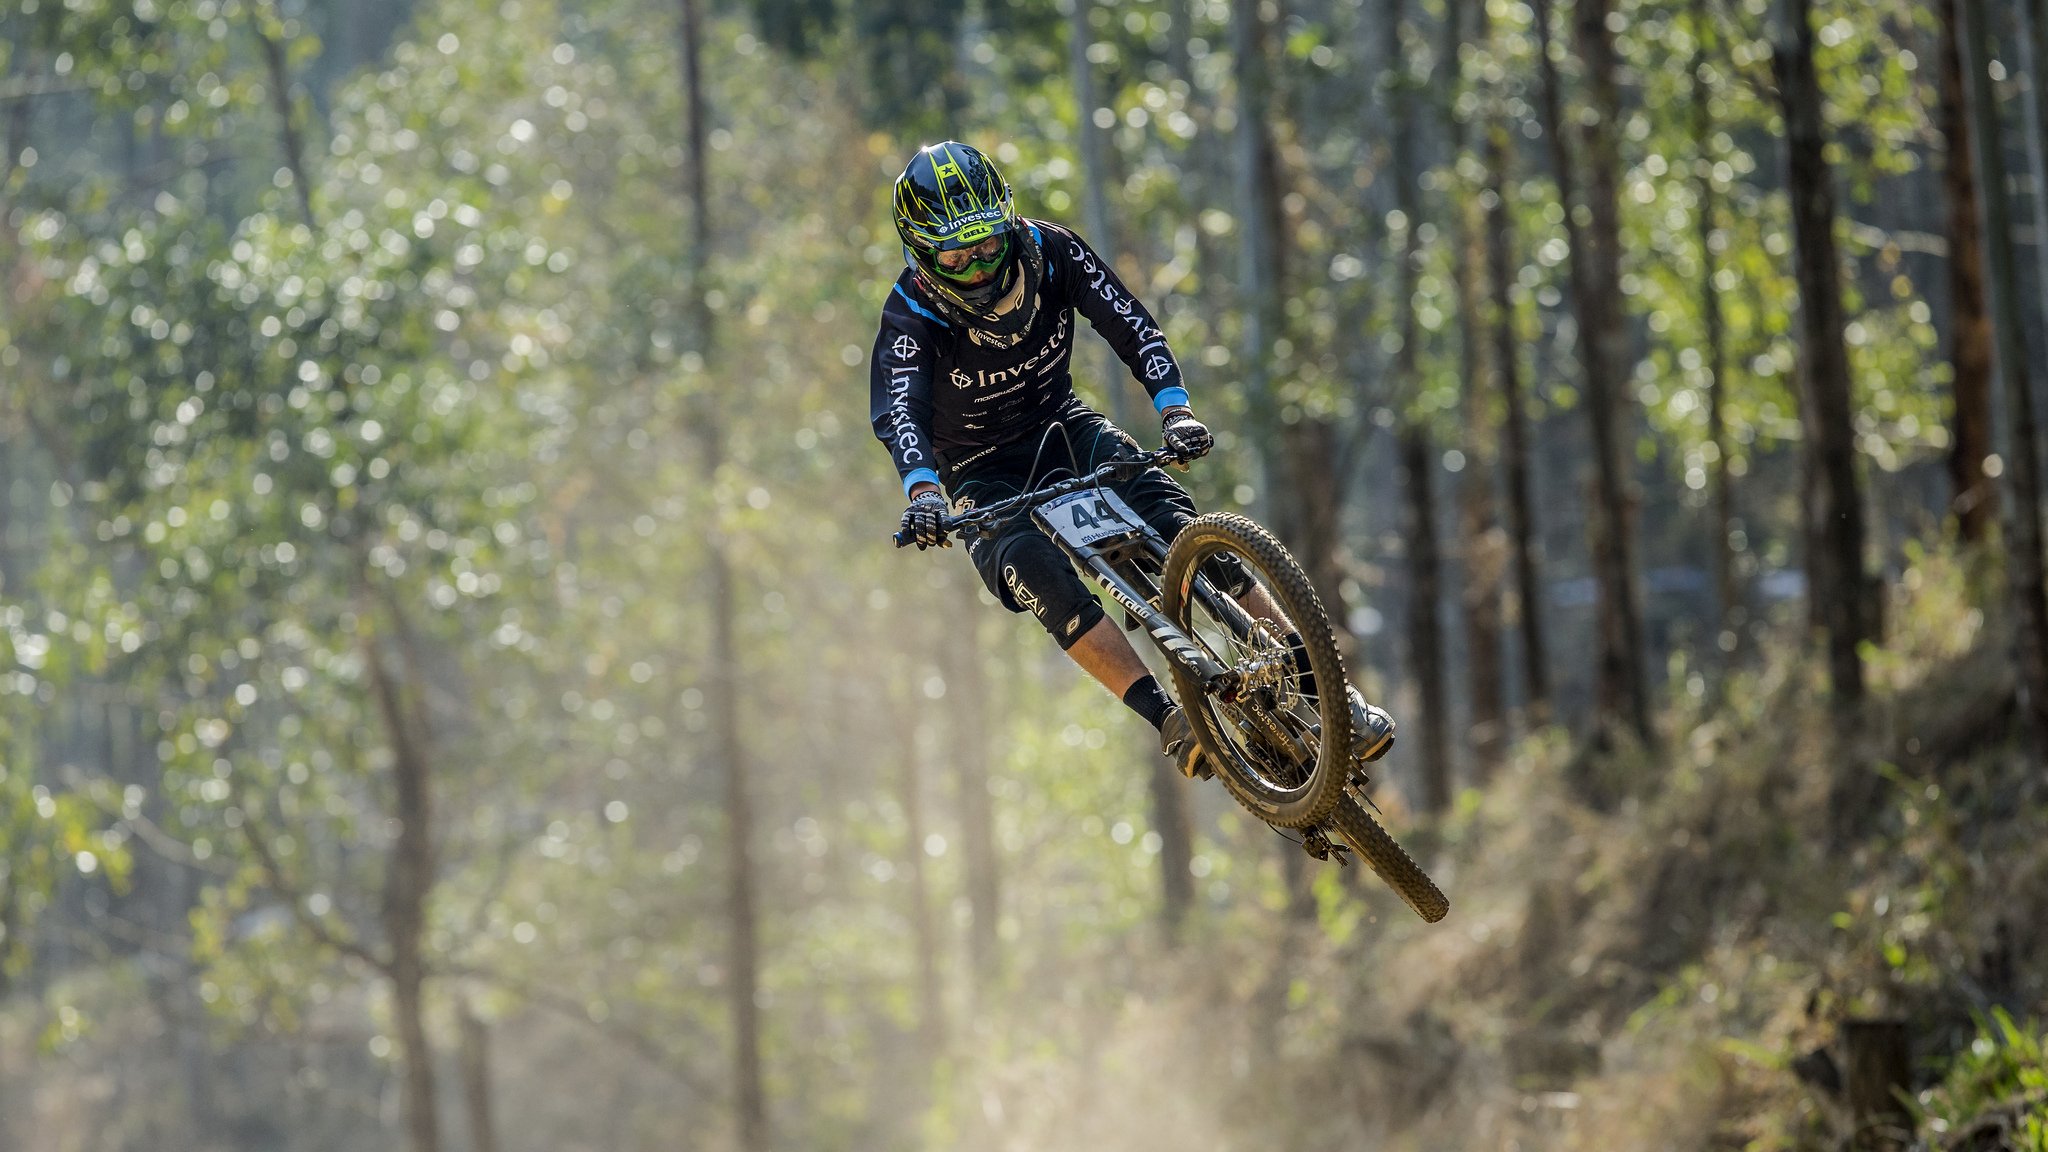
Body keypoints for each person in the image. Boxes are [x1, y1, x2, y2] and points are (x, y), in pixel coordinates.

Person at [868, 140, 1394, 778]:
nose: (978, 268)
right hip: (979, 470)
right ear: (922, 255)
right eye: (956, 256)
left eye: (986, 245)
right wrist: (924, 492)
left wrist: (1175, 410)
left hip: (1064, 428)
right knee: (1033, 569)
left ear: (1007, 222)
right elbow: (901, 414)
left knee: (1183, 528)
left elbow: (1132, 325)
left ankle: (1333, 700)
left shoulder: (1051, 251)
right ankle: (1168, 718)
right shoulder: (910, 314)